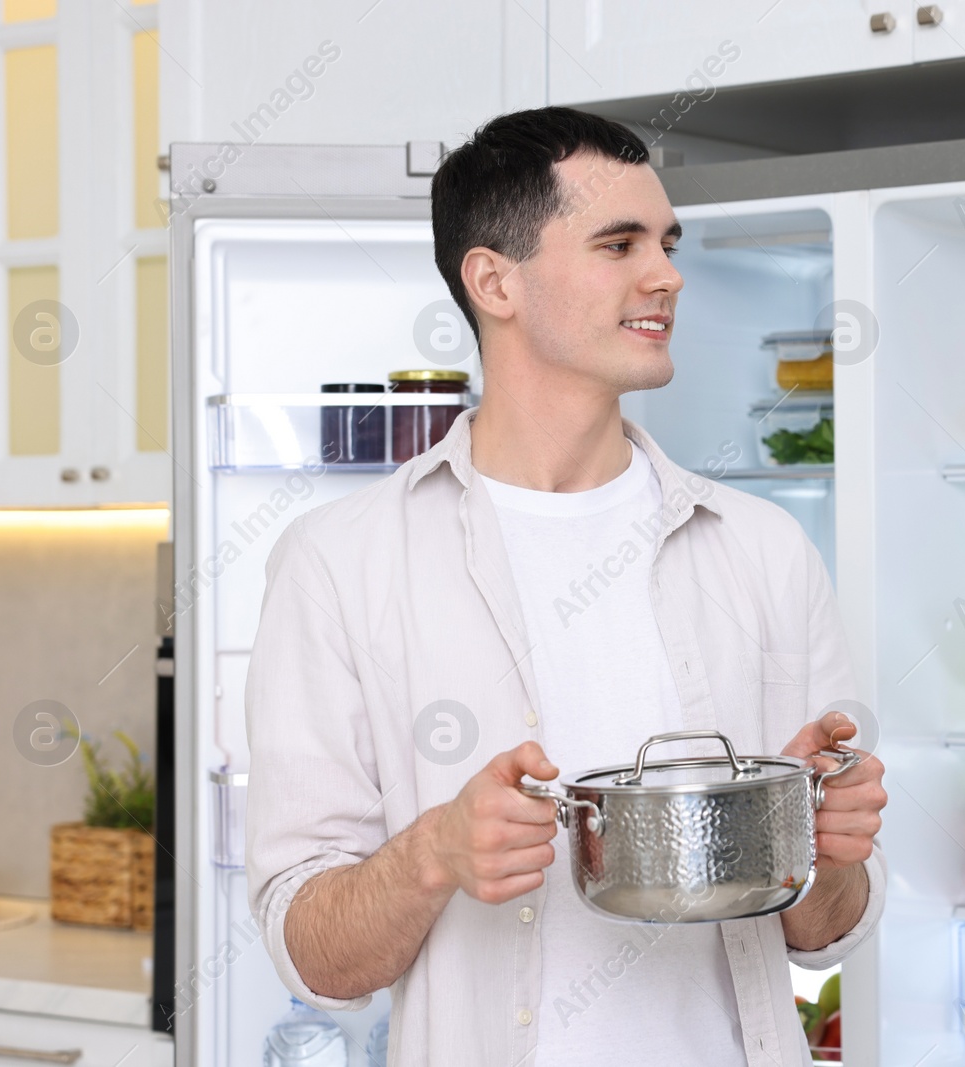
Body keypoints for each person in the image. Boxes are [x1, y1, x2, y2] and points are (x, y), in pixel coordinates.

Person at [245, 106, 888, 1067]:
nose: (666, 273)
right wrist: (436, 852)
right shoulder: (339, 561)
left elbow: (827, 928)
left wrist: (821, 847)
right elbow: (314, 954)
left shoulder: (763, 548)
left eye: (668, 243)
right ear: (494, 280)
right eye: (617, 243)